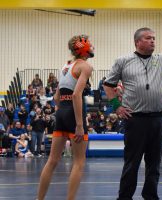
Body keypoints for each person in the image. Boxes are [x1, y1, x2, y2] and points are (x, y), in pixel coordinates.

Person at [103, 7, 162, 200]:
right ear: (137, 42)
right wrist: (116, 106)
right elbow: (108, 85)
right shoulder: (123, 61)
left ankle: (150, 195)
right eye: (148, 38)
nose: (153, 40)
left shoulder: (161, 59)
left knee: (154, 163)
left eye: (154, 38)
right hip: (135, 120)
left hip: (157, 119)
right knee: (132, 163)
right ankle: (124, 197)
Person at [37, 35, 94, 200]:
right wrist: (79, 125)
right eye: (90, 44)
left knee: (52, 161)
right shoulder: (86, 66)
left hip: (61, 111)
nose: (92, 47)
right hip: (74, 113)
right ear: (83, 48)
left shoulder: (66, 65)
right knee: (79, 162)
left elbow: (56, 97)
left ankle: (38, 198)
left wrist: (63, 111)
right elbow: (77, 95)